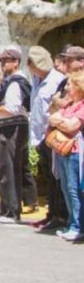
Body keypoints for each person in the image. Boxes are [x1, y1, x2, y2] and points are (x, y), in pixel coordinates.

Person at [0, 47, 32, 223]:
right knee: (4, 169)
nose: (3, 64)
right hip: (4, 127)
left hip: (10, 129)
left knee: (8, 169)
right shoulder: (8, 82)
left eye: (6, 61)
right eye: (2, 61)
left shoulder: (14, 83)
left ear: (16, 62)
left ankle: (11, 211)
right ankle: (9, 208)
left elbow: (13, 109)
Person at [26, 46, 67, 231]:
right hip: (39, 136)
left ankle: (60, 215)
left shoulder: (56, 81)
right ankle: (52, 214)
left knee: (57, 178)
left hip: (51, 133)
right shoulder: (36, 80)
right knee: (49, 177)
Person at [46, 71, 84, 241]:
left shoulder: (82, 106)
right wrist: (58, 119)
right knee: (65, 188)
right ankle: (72, 222)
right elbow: (51, 116)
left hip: (75, 151)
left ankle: (78, 226)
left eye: (70, 85)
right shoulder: (68, 105)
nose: (67, 88)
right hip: (62, 149)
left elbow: (71, 126)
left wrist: (57, 120)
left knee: (73, 188)